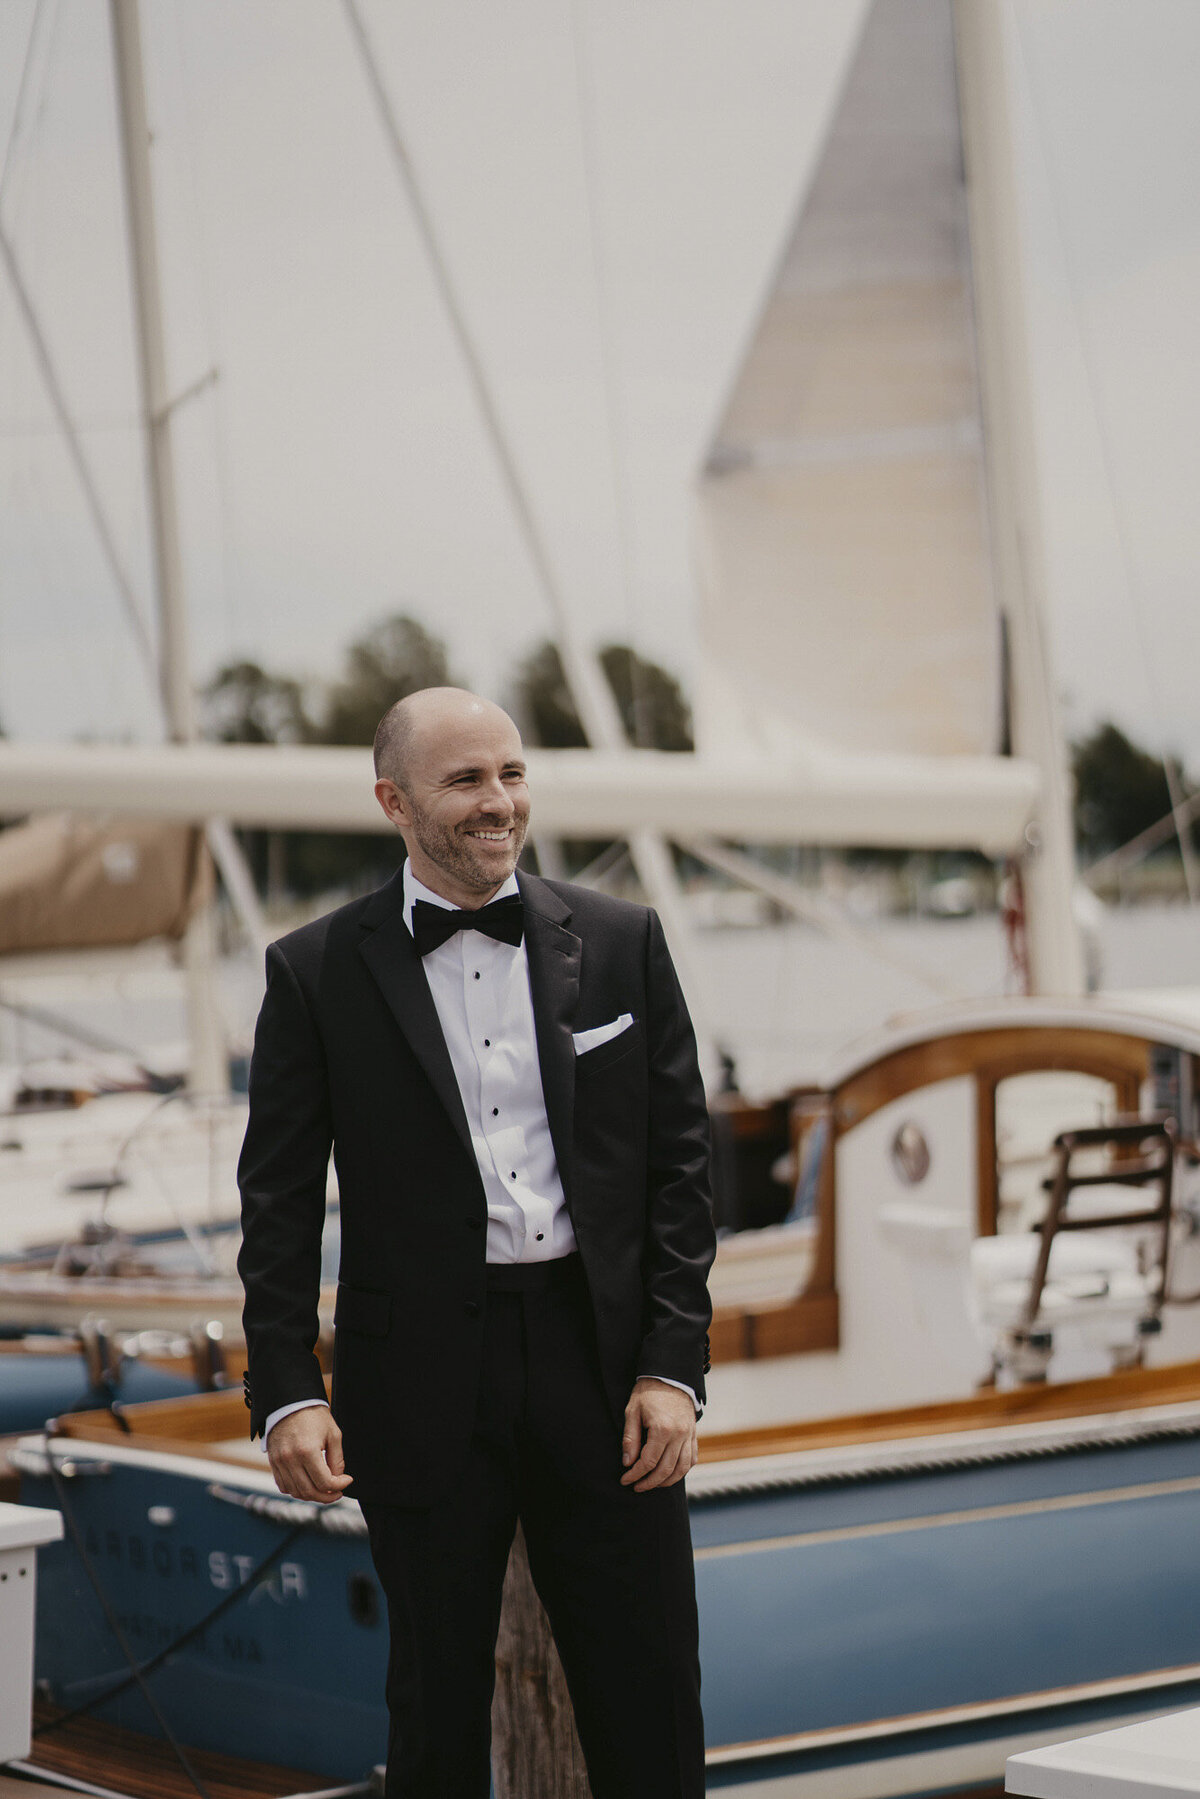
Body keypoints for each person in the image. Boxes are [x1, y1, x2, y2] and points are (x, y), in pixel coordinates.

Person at [237, 687, 715, 1798]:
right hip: (415, 1375)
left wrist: (671, 1365)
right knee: (435, 1711)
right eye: (466, 780)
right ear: (394, 801)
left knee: (648, 1692)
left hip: (602, 1366)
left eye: (511, 773)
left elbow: (683, 1175)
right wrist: (286, 1388)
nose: (499, 801)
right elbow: (278, 1201)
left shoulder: (623, 940)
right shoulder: (312, 970)